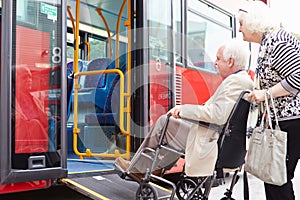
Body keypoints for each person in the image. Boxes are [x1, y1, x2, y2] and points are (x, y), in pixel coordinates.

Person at [115, 38, 254, 179]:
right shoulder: (243, 81)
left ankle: (138, 168)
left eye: (218, 59)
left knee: (165, 122)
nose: (215, 63)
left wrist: (183, 110)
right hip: (217, 138)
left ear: (230, 61)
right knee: (175, 127)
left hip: (211, 141)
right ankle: (154, 168)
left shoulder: (235, 82)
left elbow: (217, 115)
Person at [238, 1, 300, 200]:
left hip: (292, 120)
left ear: (254, 23)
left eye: (241, 24)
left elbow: (298, 76)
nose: (239, 29)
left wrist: (266, 94)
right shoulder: (267, 43)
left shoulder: (278, 41)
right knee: (273, 176)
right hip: (282, 121)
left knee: (277, 177)